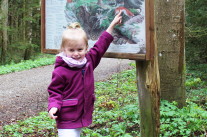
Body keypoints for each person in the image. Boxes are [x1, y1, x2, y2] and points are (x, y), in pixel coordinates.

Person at [47, 11, 122, 137]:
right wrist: (53, 106)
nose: (76, 54)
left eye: (80, 49)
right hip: (66, 118)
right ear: (64, 50)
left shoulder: (88, 61)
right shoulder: (60, 70)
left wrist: (112, 25)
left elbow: (100, 45)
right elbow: (55, 91)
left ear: (86, 48)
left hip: (81, 116)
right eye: (71, 50)